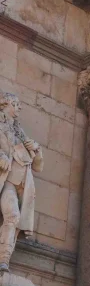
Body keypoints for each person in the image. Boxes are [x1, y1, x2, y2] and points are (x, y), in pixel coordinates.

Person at [0, 91, 43, 272]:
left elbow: (38, 166)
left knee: (15, 222)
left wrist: (37, 150)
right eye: (15, 103)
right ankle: (3, 259)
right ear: (5, 104)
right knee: (13, 216)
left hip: (23, 184)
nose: (19, 107)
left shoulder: (20, 131)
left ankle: (4, 260)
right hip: (7, 180)